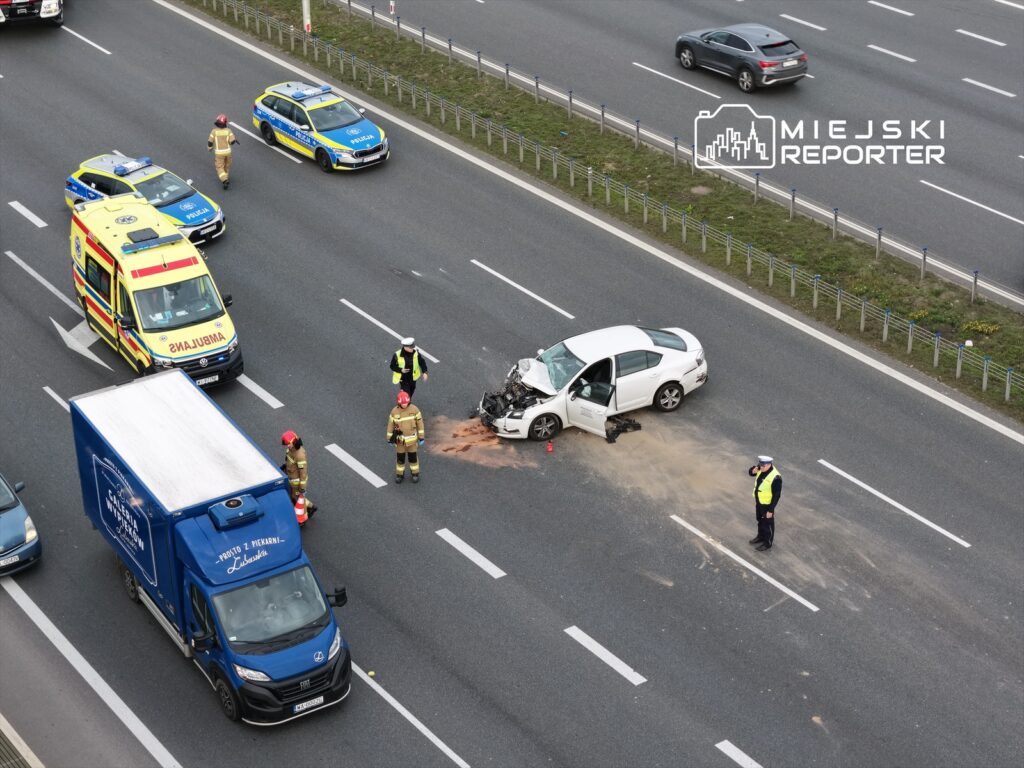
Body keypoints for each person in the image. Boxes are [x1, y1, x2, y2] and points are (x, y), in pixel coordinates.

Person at [387, 391, 425, 483]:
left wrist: (421, 437)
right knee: (400, 459)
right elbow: (390, 425)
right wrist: (389, 438)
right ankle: (400, 474)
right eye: (403, 403)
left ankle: (415, 474)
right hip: (400, 442)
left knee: (413, 459)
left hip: (412, 441)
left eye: (406, 403)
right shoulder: (394, 412)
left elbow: (420, 424)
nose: (405, 405)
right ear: (399, 403)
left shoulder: (414, 410)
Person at [748, 455, 782, 551]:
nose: (760, 467)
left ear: (769, 465)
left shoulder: (776, 477)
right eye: (760, 465)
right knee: (760, 520)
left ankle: (768, 543)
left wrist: (771, 510)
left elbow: (777, 495)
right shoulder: (760, 468)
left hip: (767, 505)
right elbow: (751, 472)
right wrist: (752, 471)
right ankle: (760, 537)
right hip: (759, 501)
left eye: (763, 466)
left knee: (768, 524)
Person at [281, 431, 317, 518]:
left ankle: (303, 518)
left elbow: (303, 472)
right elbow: (290, 462)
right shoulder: (290, 450)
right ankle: (311, 506)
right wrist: (284, 467)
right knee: (294, 496)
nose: (287, 446)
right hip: (291, 478)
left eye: (288, 444)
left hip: (297, 482)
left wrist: (302, 487)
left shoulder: (299, 455)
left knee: (298, 499)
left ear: (293, 441)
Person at [207, 114, 239, 190]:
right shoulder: (229, 131)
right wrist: (234, 140)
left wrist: (210, 148)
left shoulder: (214, 131)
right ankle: (226, 178)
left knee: (219, 167)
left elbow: (210, 142)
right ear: (225, 123)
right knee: (226, 166)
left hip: (219, 153)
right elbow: (232, 142)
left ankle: (224, 180)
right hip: (228, 152)